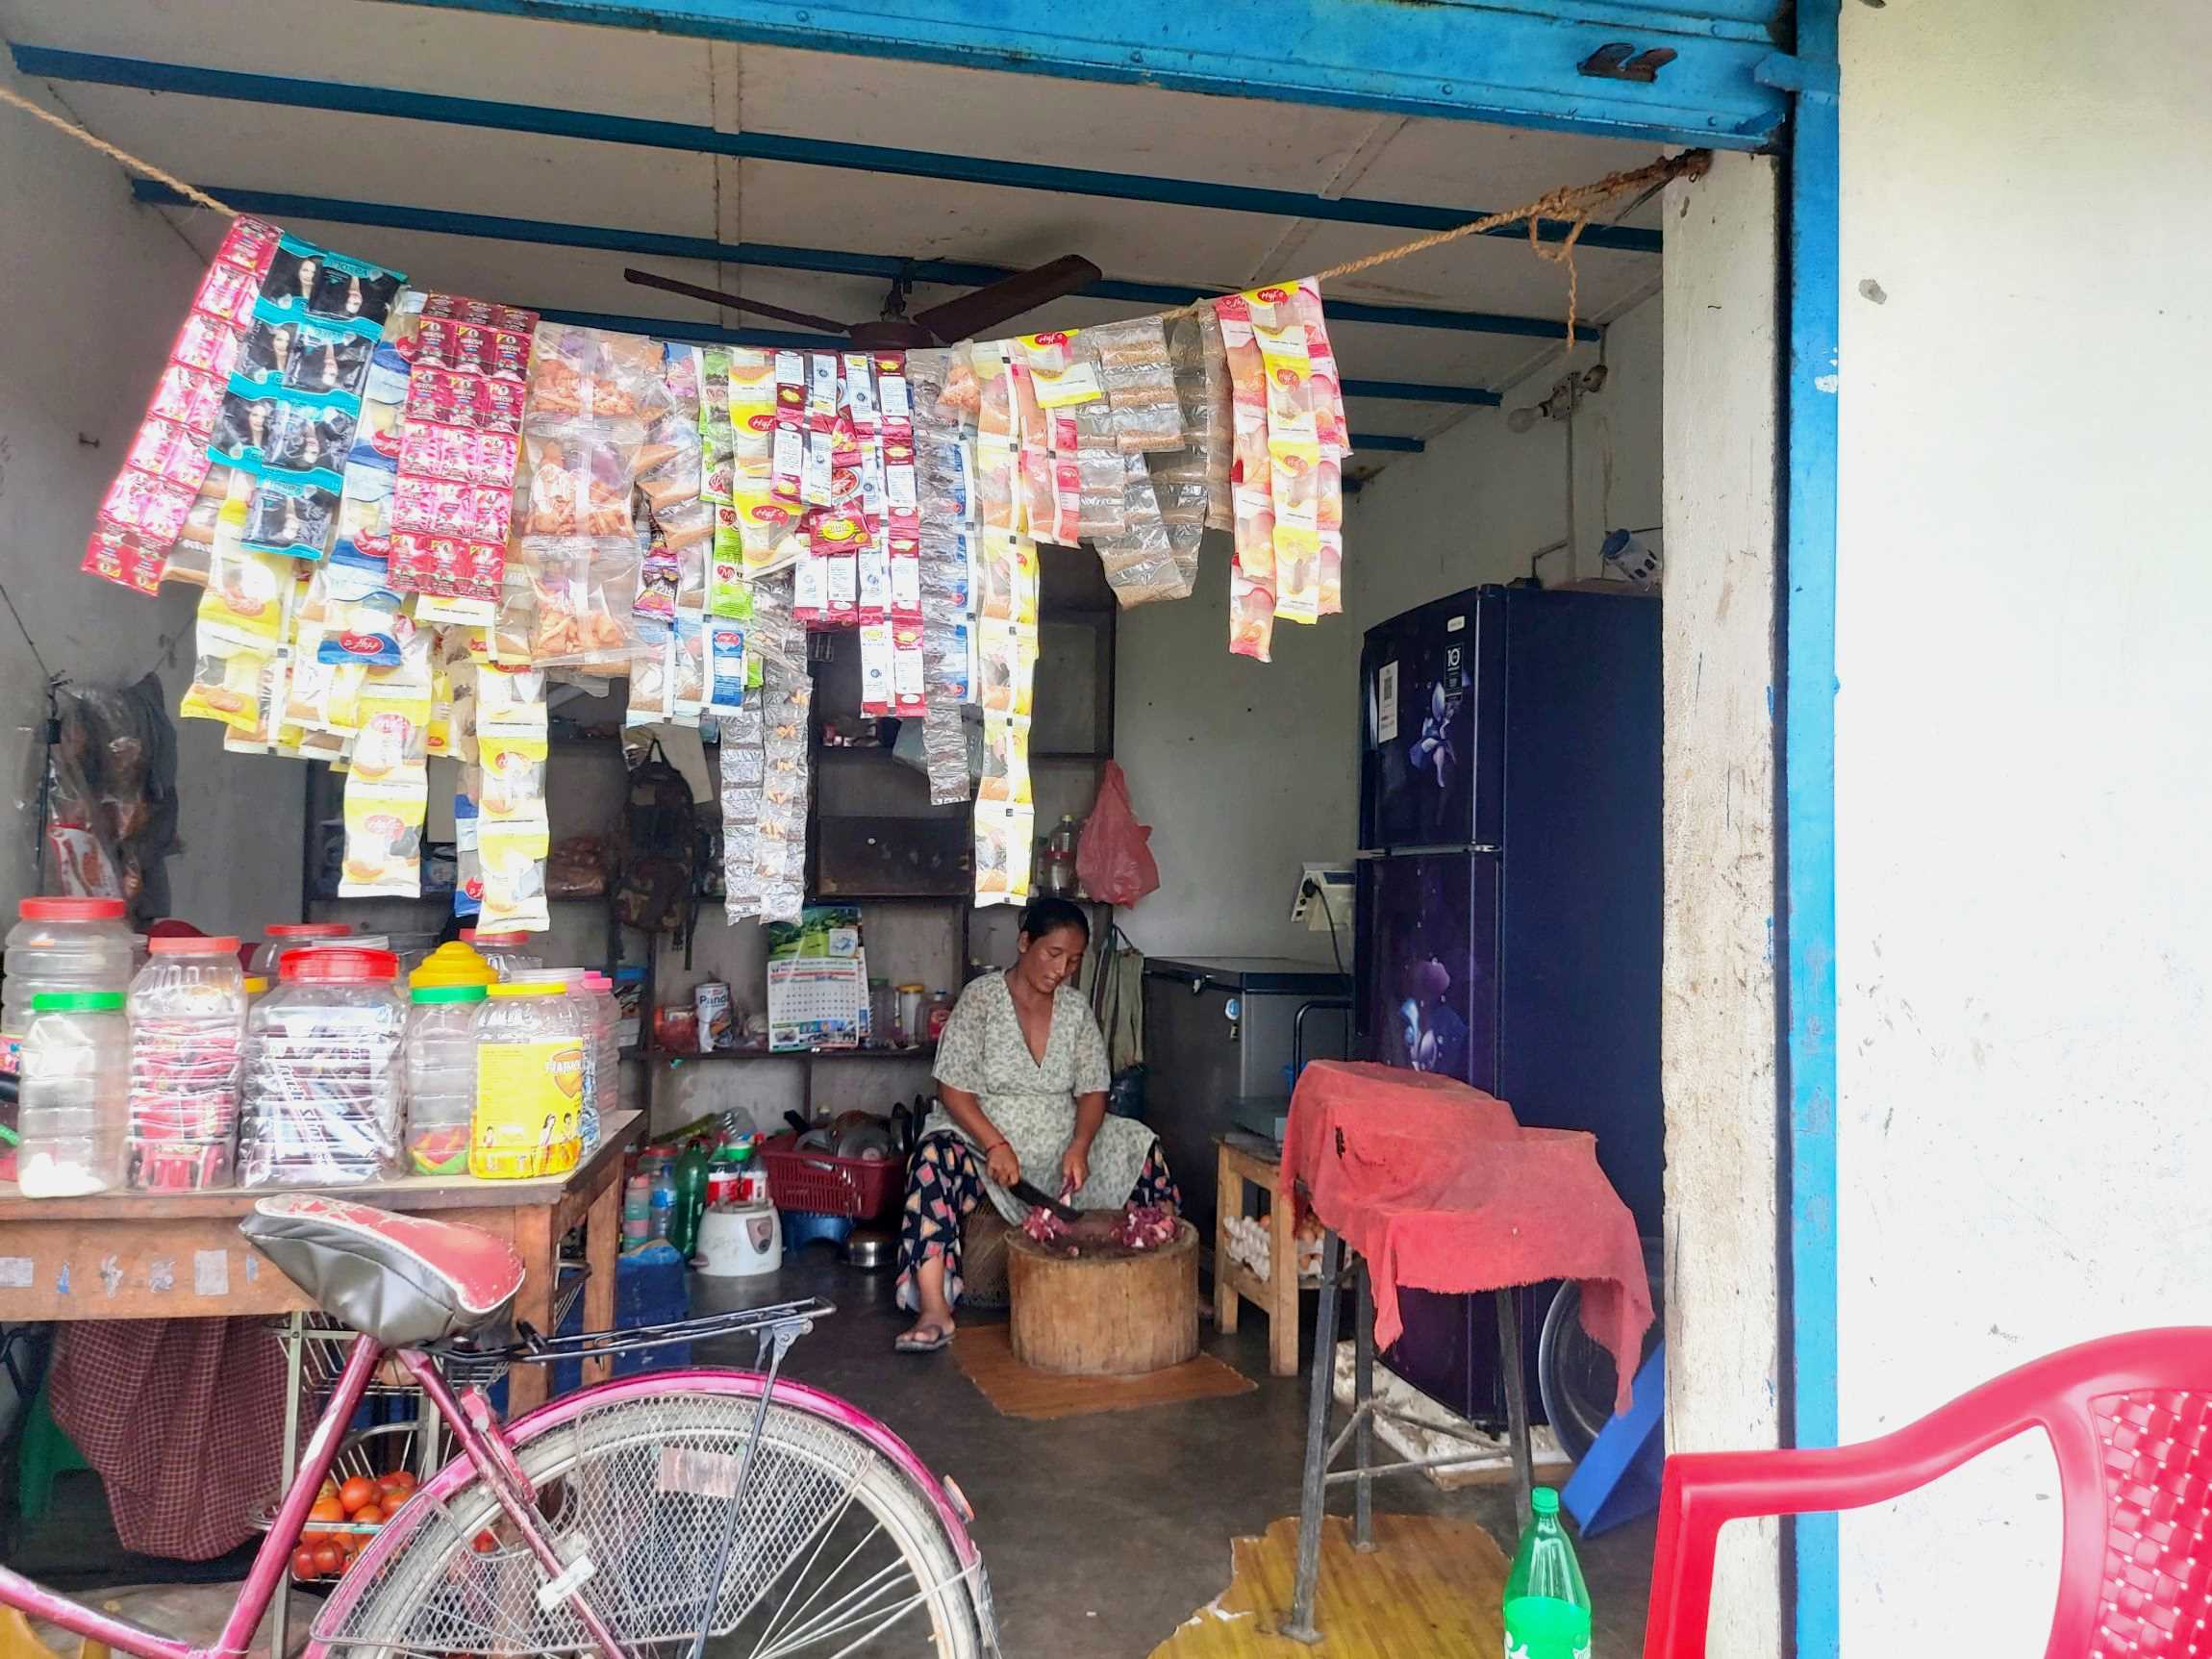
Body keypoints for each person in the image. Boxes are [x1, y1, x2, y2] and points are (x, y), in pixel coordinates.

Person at [894, 896, 1177, 1352]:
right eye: (1054, 953)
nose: (1062, 969)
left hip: (1061, 1143)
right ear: (1025, 943)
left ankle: (1169, 1278)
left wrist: (1080, 1145)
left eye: (1074, 960)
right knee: (931, 1159)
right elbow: (953, 1090)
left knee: (1139, 1144)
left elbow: (1093, 1091)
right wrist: (994, 1144)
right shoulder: (981, 1000)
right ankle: (934, 1309)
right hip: (983, 1141)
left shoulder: (1075, 1010)